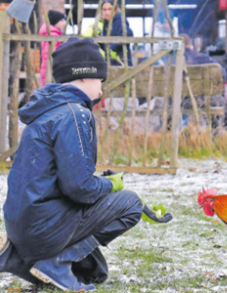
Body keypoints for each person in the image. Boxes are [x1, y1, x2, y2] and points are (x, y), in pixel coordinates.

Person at [0, 37, 143, 291]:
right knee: (131, 203)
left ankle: (15, 257)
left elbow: (59, 177)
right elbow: (80, 188)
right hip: (43, 226)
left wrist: (101, 182)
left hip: (22, 223)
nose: (102, 86)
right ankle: (55, 263)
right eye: (100, 78)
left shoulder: (48, 110)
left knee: (94, 273)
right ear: (85, 77)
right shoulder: (74, 113)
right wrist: (110, 185)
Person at [83, 0, 134, 66]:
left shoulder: (119, 21)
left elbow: (128, 34)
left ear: (115, 10)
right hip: (111, 63)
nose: (107, 12)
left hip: (121, 63)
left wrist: (111, 46)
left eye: (110, 9)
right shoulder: (105, 24)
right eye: (104, 10)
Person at [39, 10, 66, 87]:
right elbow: (50, 53)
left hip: (48, 66)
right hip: (51, 67)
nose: (64, 22)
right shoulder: (54, 35)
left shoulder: (51, 33)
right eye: (61, 20)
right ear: (55, 22)